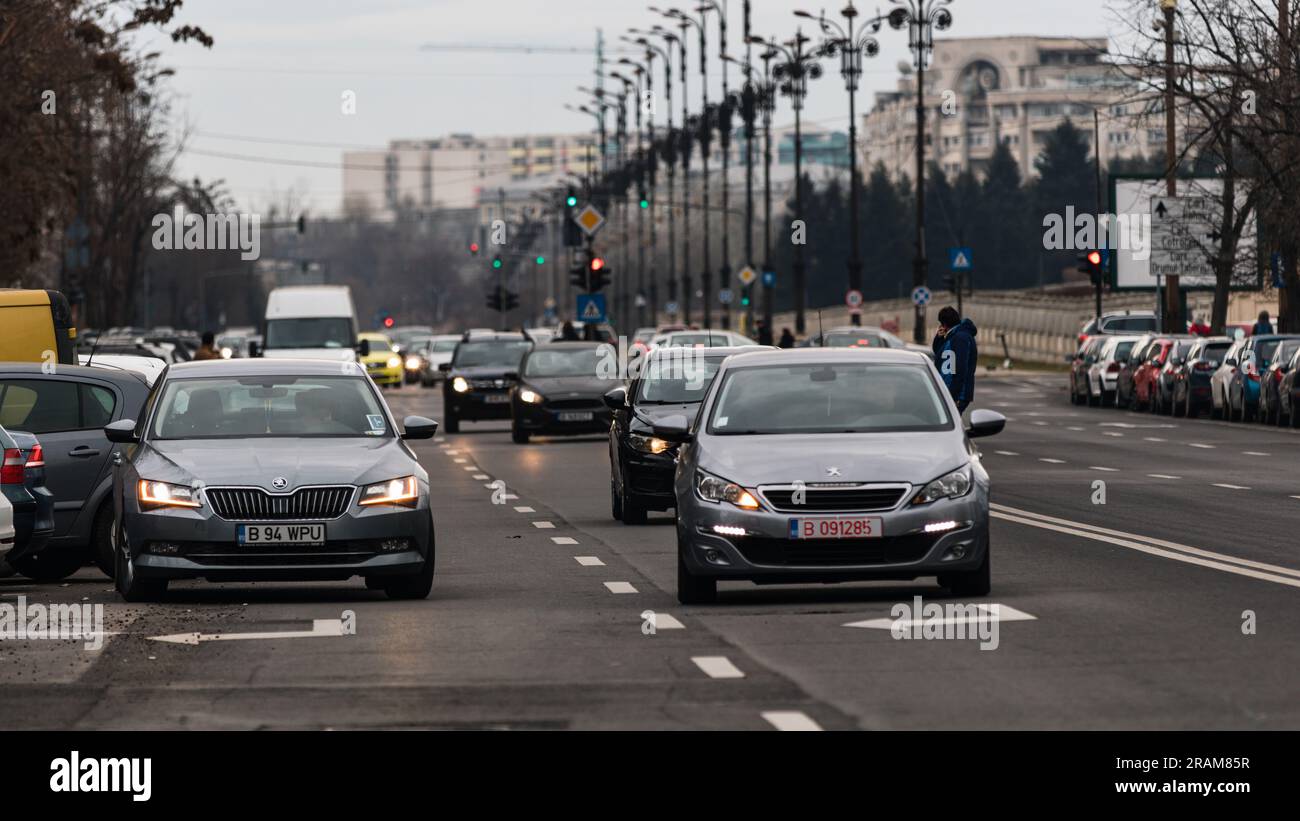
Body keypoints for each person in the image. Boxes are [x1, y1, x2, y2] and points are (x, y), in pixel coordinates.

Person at [932, 306, 978, 413]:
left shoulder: (960, 338)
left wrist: (953, 395)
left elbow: (960, 368)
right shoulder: (953, 336)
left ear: (943, 324)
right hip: (950, 391)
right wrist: (938, 338)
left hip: (957, 394)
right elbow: (940, 354)